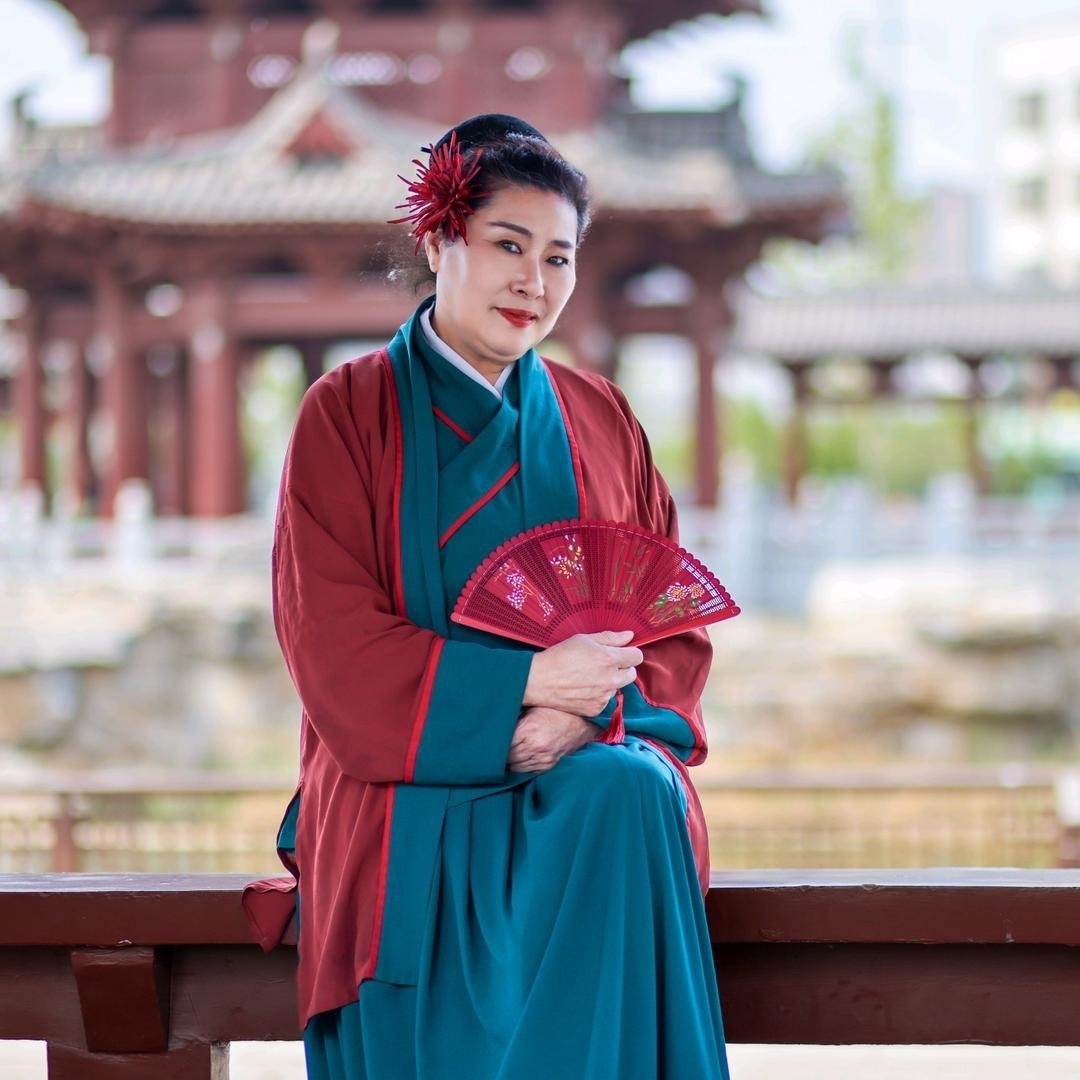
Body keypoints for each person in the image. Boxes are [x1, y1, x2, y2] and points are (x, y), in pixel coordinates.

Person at [243, 113, 730, 1080]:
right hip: (402, 788)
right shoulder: (348, 412)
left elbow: (668, 625)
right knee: (612, 798)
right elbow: (332, 645)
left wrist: (583, 717)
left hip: (583, 771)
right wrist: (519, 692)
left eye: (559, 257)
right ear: (439, 242)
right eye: (508, 245)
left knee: (631, 789)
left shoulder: (602, 416)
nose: (533, 281)